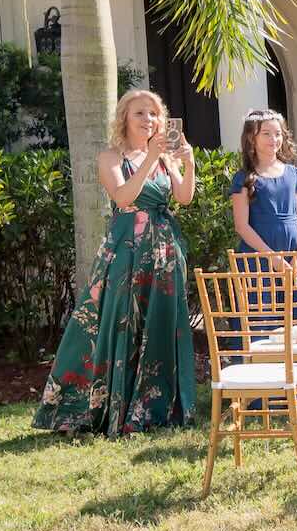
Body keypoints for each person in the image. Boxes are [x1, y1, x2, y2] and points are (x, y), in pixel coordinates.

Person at [34, 89, 197, 436]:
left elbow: (182, 197)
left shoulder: (165, 157)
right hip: (127, 251)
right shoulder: (110, 157)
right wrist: (151, 159)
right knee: (120, 322)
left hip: (165, 254)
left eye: (154, 114)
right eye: (140, 113)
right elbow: (124, 198)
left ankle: (156, 407)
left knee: (161, 324)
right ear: (124, 118)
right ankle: (107, 408)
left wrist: (189, 163)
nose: (148, 120)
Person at [231, 108, 297, 324]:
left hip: (294, 253)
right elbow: (241, 226)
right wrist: (272, 257)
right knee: (263, 315)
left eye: (278, 133)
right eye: (267, 134)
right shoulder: (243, 178)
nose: (274, 139)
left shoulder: (294, 174)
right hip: (259, 256)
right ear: (252, 138)